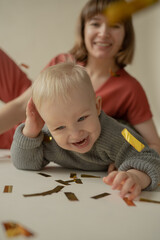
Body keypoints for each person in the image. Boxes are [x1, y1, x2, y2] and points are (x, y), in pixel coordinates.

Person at [1, 0, 160, 154]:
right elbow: (23, 106)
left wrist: (125, 158)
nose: (104, 33)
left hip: (38, 140)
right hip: (26, 112)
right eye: (95, 24)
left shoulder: (129, 88)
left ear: (126, 35)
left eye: (115, 26)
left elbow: (153, 144)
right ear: (83, 29)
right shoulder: (62, 62)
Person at [11, 62, 160, 201]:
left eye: (82, 118)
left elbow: (149, 155)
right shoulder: (48, 137)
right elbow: (23, 163)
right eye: (60, 127)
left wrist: (136, 176)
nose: (76, 134)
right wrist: (30, 132)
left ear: (97, 106)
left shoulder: (121, 134)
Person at [0, 48, 32, 149]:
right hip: (28, 105)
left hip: (30, 134)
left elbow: (21, 107)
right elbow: (22, 106)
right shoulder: (65, 61)